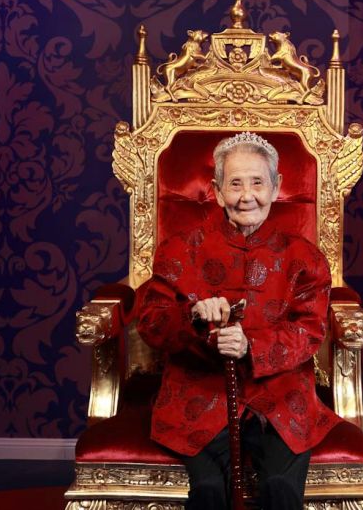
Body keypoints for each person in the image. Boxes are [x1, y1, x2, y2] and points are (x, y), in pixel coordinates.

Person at [137, 132, 340, 510]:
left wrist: (252, 346)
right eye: (235, 184)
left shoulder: (304, 257)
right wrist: (194, 319)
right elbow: (151, 320)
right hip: (198, 391)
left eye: (258, 182)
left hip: (280, 395)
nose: (247, 196)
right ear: (216, 191)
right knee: (209, 489)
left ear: (277, 187)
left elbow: (310, 329)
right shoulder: (180, 248)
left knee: (281, 485)